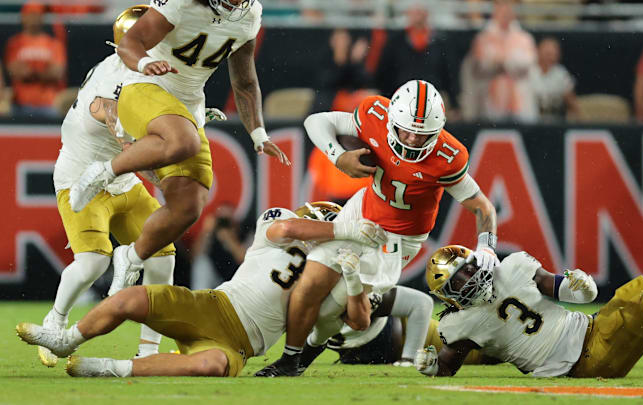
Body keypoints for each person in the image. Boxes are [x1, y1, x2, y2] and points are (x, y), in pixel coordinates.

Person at [255, 79, 498, 377]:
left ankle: (303, 358)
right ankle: (289, 359)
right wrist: (338, 156)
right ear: (393, 120)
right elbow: (316, 121)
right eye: (406, 130)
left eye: (422, 135)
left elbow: (482, 206)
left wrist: (486, 246)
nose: (410, 140)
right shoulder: (375, 114)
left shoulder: (448, 156)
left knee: (336, 304)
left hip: (400, 237)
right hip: (363, 210)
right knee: (311, 282)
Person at [67, 0, 290, 295]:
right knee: (184, 142)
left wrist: (259, 133)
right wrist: (146, 62)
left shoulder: (250, 14)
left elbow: (246, 81)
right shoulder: (182, 2)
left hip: (187, 106)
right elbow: (130, 42)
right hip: (145, 87)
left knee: (189, 205)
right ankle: (102, 172)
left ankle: (131, 258)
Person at [16, 202, 387, 377]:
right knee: (129, 298)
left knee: (210, 364)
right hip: (213, 305)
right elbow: (288, 230)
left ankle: (105, 368)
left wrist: (353, 278)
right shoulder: (278, 224)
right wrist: (344, 231)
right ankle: (67, 339)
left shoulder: (336, 269)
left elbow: (356, 319)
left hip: (241, 343)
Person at [29, 5, 176, 370]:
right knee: (94, 261)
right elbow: (102, 107)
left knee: (163, 256)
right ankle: (56, 321)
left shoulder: (145, 71)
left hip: (122, 178)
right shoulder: (115, 71)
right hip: (83, 177)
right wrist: (128, 137)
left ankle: (149, 348)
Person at [414, 246, 643, 378]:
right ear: (447, 295)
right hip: (581, 364)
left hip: (593, 327)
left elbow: (559, 287)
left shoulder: (513, 268)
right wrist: (429, 366)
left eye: (468, 269)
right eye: (459, 280)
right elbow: (447, 366)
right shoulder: (458, 324)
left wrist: (581, 288)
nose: (469, 279)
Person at [327, 286, 492, 367]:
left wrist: (409, 358)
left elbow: (421, 303)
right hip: (358, 353)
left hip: (398, 335)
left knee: (481, 347)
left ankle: (507, 337)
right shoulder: (310, 288)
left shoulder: (352, 281)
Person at [459, 0, 537, 122]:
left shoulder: (524, 38)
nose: (505, 10)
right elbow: (482, 64)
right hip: (491, 103)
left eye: (509, 6)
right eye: (501, 5)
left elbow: (526, 63)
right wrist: (505, 62)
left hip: (520, 103)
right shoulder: (483, 37)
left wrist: (501, 61)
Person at [4, 1, 66, 118]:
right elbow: (16, 72)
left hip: (48, 104)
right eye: (31, 14)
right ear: (24, 16)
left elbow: (57, 73)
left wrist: (31, 71)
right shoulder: (15, 43)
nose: (35, 18)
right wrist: (43, 71)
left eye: (38, 14)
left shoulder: (53, 44)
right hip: (21, 103)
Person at [190, 203, 251, 289]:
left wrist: (229, 239)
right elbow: (194, 255)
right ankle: (199, 299)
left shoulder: (244, 233)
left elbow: (244, 260)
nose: (224, 223)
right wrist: (205, 231)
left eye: (227, 220)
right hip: (216, 278)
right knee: (202, 262)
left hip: (236, 281)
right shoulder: (211, 234)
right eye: (221, 220)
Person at [529, 37, 580, 122]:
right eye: (547, 53)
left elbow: (572, 103)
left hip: (555, 120)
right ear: (537, 52)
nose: (549, 57)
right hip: (531, 120)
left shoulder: (561, 74)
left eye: (553, 54)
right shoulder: (528, 71)